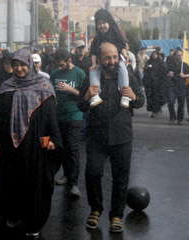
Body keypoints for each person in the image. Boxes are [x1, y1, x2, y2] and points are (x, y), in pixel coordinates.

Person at [0, 49, 62, 239]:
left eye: (23, 65)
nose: (20, 68)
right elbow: (0, 116)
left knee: (34, 182)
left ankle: (33, 222)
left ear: (30, 64)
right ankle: (13, 215)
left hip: (35, 143)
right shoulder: (6, 86)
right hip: (10, 144)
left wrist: (52, 139)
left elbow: (50, 117)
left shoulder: (44, 85)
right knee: (12, 180)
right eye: (16, 65)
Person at [77, 42, 144, 233]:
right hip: (96, 137)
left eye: (115, 57)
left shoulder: (127, 76)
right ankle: (95, 210)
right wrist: (86, 96)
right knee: (93, 173)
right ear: (99, 59)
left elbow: (141, 101)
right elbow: (80, 107)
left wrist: (133, 96)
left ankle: (116, 215)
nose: (112, 61)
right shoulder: (91, 78)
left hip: (122, 135)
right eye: (108, 57)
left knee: (120, 178)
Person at [50, 48, 85, 196]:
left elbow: (85, 95)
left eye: (62, 65)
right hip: (58, 115)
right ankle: (66, 175)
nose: (59, 68)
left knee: (72, 148)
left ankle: (74, 183)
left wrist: (71, 89)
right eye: (57, 65)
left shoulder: (79, 73)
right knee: (60, 148)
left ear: (69, 61)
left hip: (74, 114)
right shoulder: (54, 74)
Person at [88, 9, 130, 108]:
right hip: (101, 63)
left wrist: (125, 55)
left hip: (116, 62)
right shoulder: (97, 39)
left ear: (109, 23)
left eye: (104, 23)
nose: (102, 26)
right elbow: (93, 53)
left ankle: (125, 94)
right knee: (93, 70)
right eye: (99, 24)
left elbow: (121, 46)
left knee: (122, 68)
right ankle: (95, 95)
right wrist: (93, 64)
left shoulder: (115, 35)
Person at [166, 49, 189, 125]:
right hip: (172, 85)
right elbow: (165, 73)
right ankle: (172, 117)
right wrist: (168, 75)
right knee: (170, 102)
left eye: (181, 55)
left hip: (181, 85)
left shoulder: (184, 65)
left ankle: (180, 119)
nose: (180, 57)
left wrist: (184, 75)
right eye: (178, 55)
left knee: (181, 103)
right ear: (174, 56)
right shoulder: (169, 64)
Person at [142, 50, 167, 117]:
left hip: (158, 84)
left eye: (155, 54)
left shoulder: (161, 62)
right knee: (151, 97)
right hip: (150, 83)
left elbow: (164, 71)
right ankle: (154, 110)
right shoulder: (149, 62)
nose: (154, 55)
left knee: (158, 97)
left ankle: (157, 109)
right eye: (153, 54)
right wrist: (147, 68)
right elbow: (144, 69)